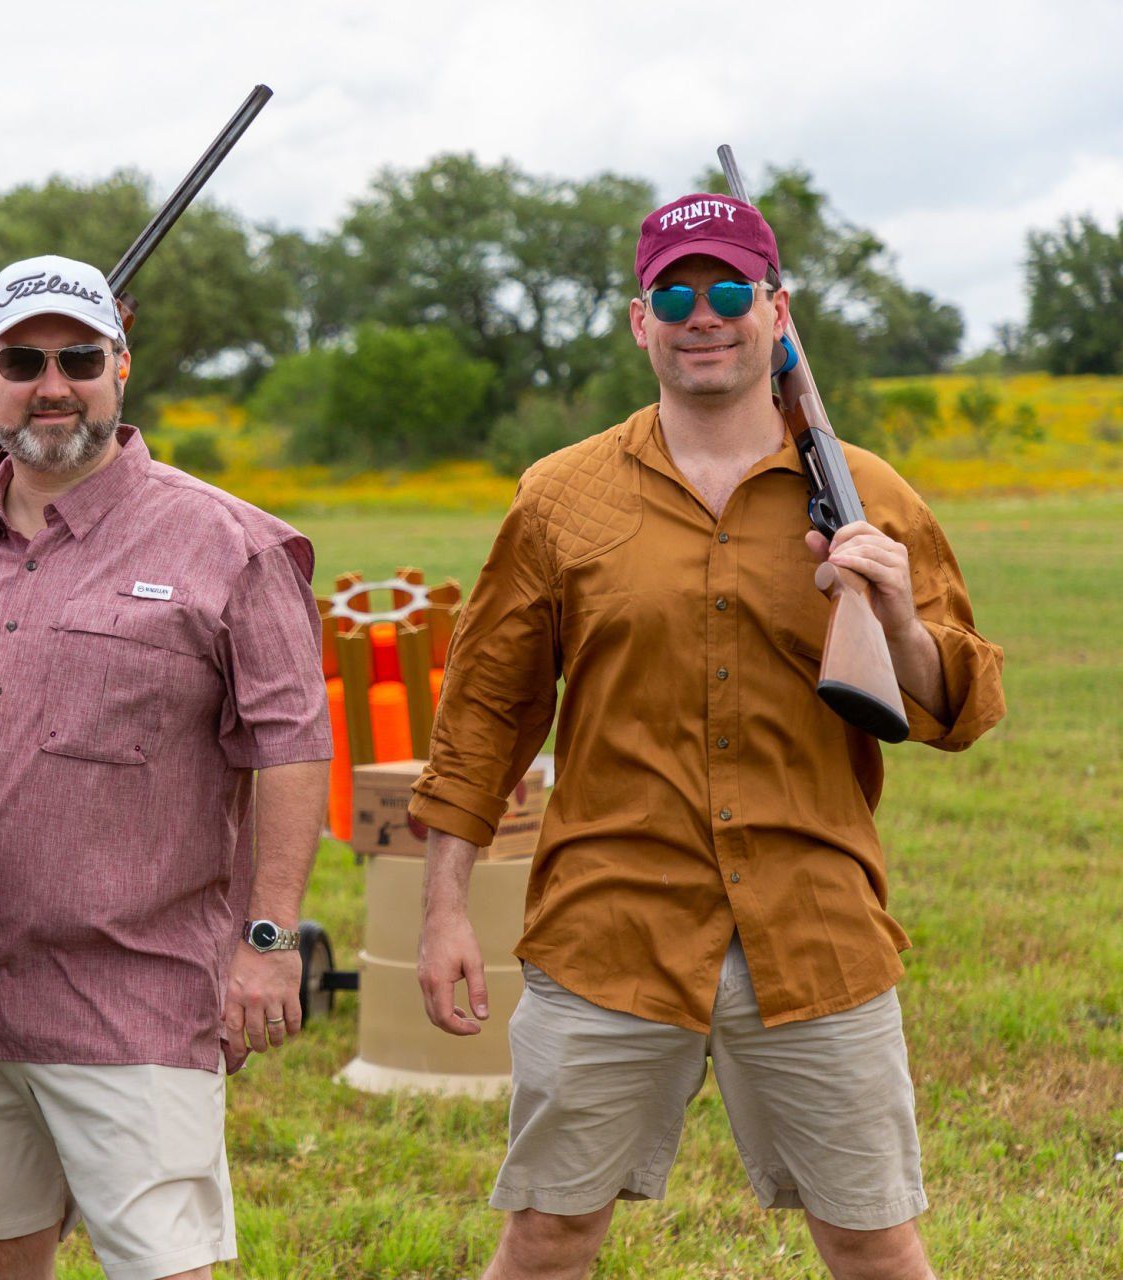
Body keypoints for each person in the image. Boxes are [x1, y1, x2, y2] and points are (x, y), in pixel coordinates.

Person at [413, 196, 1004, 1280]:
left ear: (778, 312)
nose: (705, 315)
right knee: (546, 1236)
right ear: (639, 320)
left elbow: (959, 706)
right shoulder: (559, 497)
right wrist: (445, 905)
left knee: (873, 1241)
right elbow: (487, 714)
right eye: (675, 294)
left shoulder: (868, 493)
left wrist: (899, 622)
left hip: (814, 925)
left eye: (731, 290)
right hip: (609, 925)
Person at [0, 254, 332, 1280]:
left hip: (132, 991)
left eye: (79, 358)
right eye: (23, 361)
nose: (52, 384)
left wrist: (270, 940)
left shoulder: (230, 545)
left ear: (122, 367)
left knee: (167, 1268)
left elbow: (292, 748)